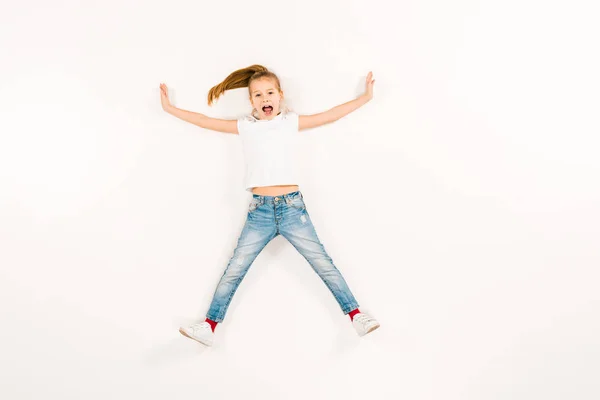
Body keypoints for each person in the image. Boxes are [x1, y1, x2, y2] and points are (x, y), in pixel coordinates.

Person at [159, 65, 380, 346]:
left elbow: (330, 115)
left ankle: (356, 315)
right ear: (251, 101)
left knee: (324, 264)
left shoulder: (290, 122)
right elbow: (204, 121)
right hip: (260, 212)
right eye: (258, 95)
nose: (265, 99)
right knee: (235, 269)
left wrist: (365, 98)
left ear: (280, 96)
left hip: (292, 210)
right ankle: (209, 325)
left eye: (270, 93)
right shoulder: (245, 126)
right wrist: (170, 109)